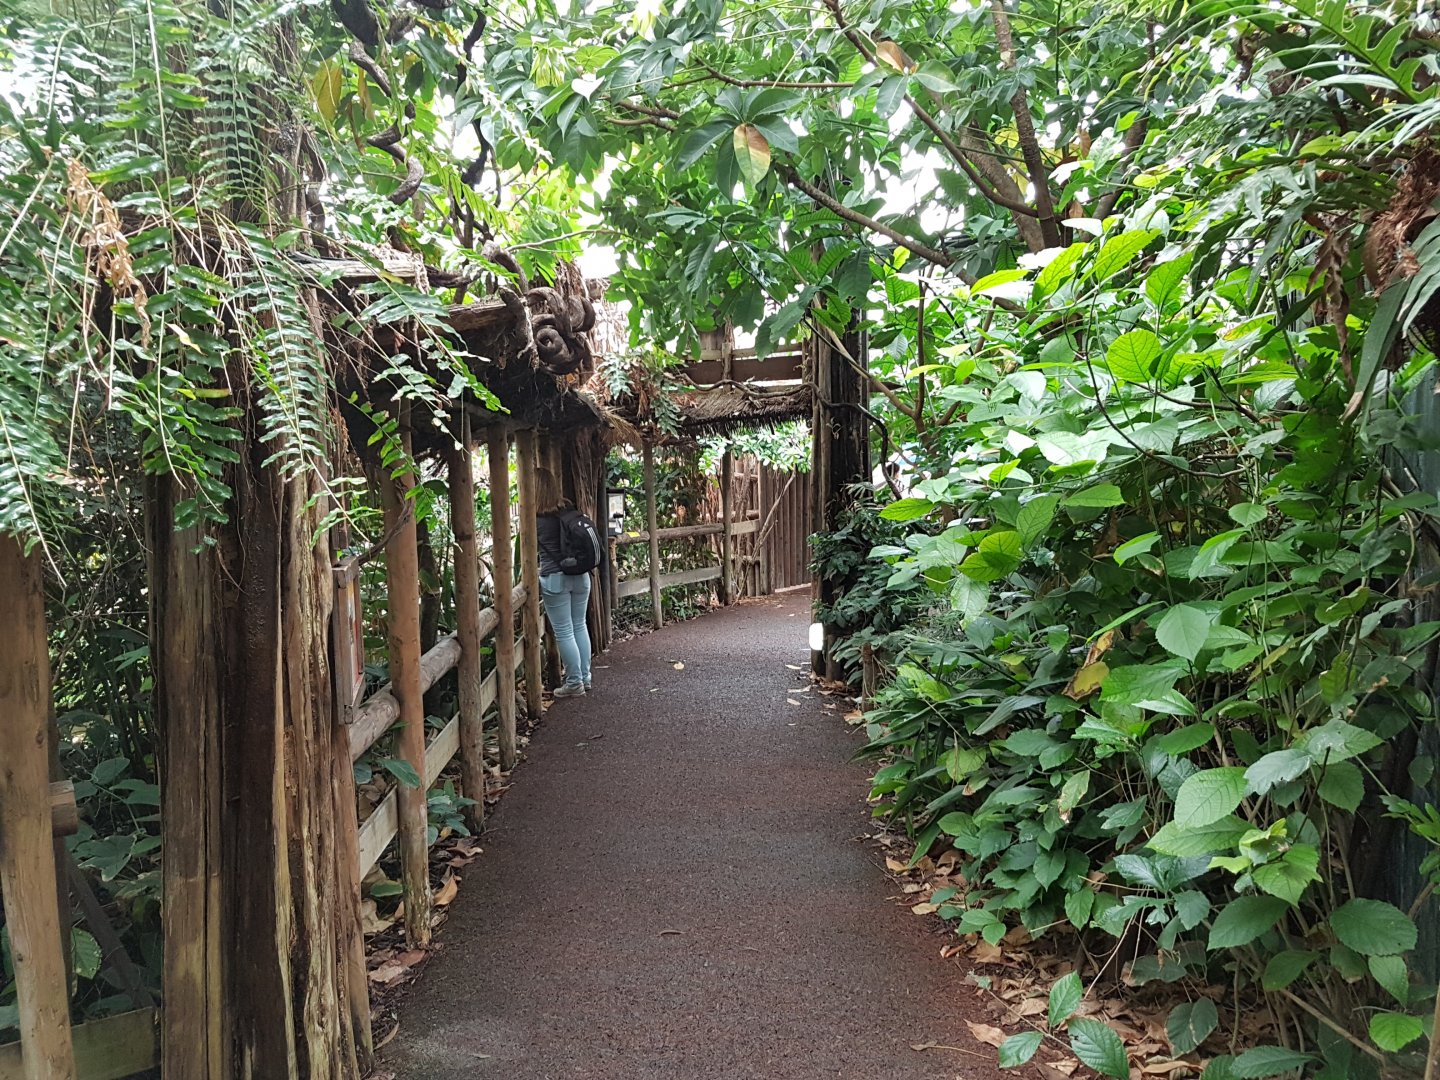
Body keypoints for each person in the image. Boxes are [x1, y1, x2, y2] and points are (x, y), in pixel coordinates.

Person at [536, 496, 593, 697]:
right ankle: (585, 678)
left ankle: (574, 682)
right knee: (579, 625)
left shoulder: (536, 519)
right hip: (581, 575)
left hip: (555, 579)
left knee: (564, 632)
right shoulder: (569, 512)